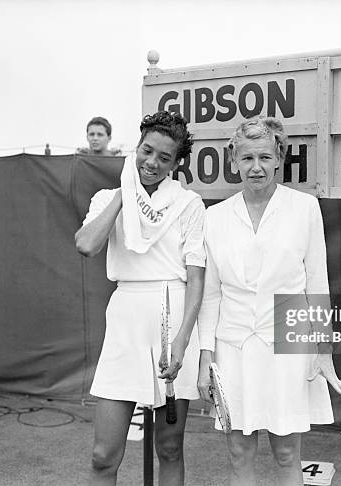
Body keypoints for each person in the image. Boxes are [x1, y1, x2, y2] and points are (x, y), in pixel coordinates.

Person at [197, 116, 341, 486]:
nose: (256, 167)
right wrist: (206, 358)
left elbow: (317, 282)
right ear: (233, 160)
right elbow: (211, 293)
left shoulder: (304, 208)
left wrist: (324, 350)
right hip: (232, 345)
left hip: (287, 339)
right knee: (238, 453)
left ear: (279, 158)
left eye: (265, 157)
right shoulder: (214, 217)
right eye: (247, 158)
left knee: (286, 453)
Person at [75, 111, 205, 486]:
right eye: (146, 151)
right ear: (136, 147)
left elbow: (196, 280)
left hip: (173, 316)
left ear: (177, 164)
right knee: (103, 455)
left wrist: (181, 343)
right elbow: (86, 244)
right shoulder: (108, 197)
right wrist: (126, 194)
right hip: (126, 320)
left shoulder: (189, 204)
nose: (152, 163)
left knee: (169, 448)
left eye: (164, 158)